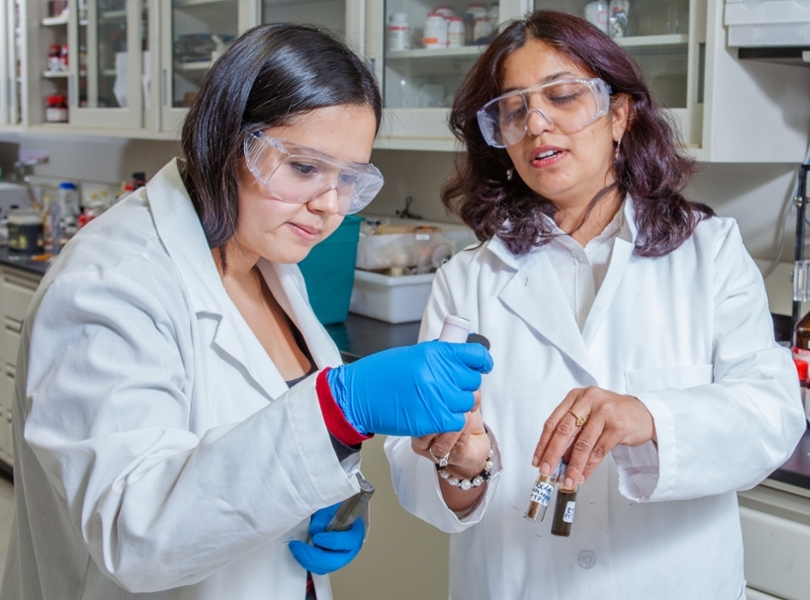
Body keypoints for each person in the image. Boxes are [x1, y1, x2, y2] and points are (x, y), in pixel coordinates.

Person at [0, 24, 491, 600]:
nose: (330, 206)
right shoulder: (111, 285)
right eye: (305, 168)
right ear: (226, 140)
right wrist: (339, 409)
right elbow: (130, 533)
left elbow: (269, 450)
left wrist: (329, 501)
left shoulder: (267, 260)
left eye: (349, 178)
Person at [386, 10, 805, 600]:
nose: (536, 122)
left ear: (619, 115)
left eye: (562, 97)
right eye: (513, 109)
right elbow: (416, 470)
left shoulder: (710, 254)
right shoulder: (466, 281)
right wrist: (463, 464)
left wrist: (649, 417)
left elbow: (772, 414)